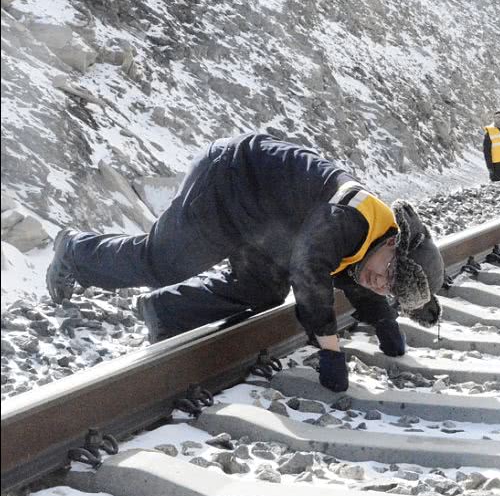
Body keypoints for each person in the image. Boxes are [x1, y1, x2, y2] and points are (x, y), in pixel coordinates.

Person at [45, 132, 445, 393]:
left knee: (261, 291)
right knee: (161, 263)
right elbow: (309, 270)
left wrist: (387, 326)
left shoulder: (375, 245)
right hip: (229, 179)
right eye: (389, 273)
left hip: (265, 220)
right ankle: (75, 251)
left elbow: (361, 283)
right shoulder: (352, 217)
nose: (380, 282)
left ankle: (164, 313)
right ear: (393, 242)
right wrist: (329, 348)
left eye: (390, 288)